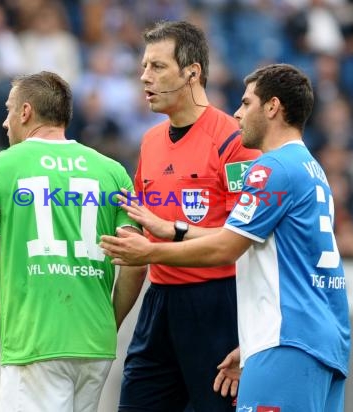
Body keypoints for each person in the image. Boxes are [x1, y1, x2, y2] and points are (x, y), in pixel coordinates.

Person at [101, 63, 351, 412]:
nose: (237, 113)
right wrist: (175, 230)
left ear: (272, 107)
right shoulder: (311, 168)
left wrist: (149, 253)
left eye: (247, 103)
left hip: (287, 343)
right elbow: (246, 239)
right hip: (322, 342)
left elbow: (226, 248)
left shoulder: (271, 168)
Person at [0, 71, 146, 412]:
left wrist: (12, 319)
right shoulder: (112, 171)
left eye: (9, 111)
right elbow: (136, 263)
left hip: (36, 337)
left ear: (25, 112)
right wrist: (110, 321)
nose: (6, 123)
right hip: (94, 340)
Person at [115, 20, 260, 412]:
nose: (144, 77)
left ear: (192, 72)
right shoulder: (149, 141)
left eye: (157, 67)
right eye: (144, 66)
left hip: (216, 305)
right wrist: (111, 320)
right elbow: (140, 238)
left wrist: (246, 335)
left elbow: (236, 245)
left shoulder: (234, 140)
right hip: (158, 302)